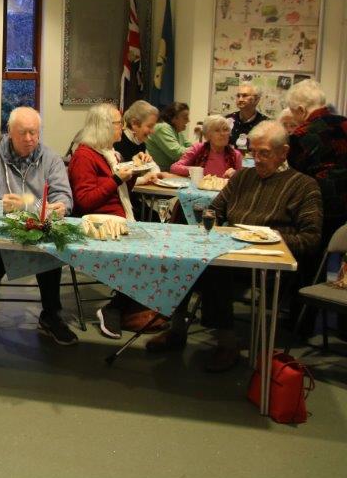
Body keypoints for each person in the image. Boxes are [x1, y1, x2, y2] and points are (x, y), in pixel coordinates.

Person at [148, 122, 322, 371]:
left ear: (284, 152)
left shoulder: (304, 186)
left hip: (269, 261)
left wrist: (268, 237)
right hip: (233, 252)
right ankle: (177, 328)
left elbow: (311, 238)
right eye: (252, 153)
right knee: (184, 257)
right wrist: (205, 220)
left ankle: (226, 342)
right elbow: (215, 210)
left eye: (265, 153)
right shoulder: (243, 177)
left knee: (215, 269)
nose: (256, 159)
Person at [0, 107, 76, 345]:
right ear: (9, 132)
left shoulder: (51, 159)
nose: (29, 139)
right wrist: (0, 204)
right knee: (2, 244)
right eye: (23, 133)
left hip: (41, 226)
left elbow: (65, 198)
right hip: (3, 228)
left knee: (51, 245)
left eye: (34, 132)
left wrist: (60, 206)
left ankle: (51, 313)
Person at [68, 104, 154, 338]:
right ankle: (117, 309)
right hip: (98, 226)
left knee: (154, 247)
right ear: (106, 126)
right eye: (119, 123)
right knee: (146, 251)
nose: (123, 128)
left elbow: (121, 192)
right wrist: (116, 178)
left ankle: (123, 308)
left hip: (116, 220)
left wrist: (135, 171)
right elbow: (84, 201)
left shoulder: (110, 153)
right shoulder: (84, 156)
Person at [286, 79, 347, 315]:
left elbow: (298, 178)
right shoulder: (344, 124)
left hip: (319, 204)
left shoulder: (302, 135)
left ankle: (301, 319)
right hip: (344, 205)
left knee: (309, 262)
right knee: (337, 260)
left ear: (301, 110)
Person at [170, 115, 242, 179]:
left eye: (226, 130)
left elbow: (242, 181)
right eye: (217, 130)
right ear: (207, 135)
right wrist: (196, 171)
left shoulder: (235, 155)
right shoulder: (198, 148)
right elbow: (174, 168)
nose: (223, 134)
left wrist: (235, 175)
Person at [146, 102, 192, 172]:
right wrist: (198, 150)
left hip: (170, 173)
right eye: (185, 118)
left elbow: (190, 146)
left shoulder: (176, 130)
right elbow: (177, 153)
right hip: (159, 174)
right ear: (174, 118)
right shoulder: (163, 128)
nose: (188, 120)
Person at [226, 83, 269, 151]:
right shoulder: (228, 120)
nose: (240, 99)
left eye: (244, 95)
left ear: (257, 100)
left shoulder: (266, 123)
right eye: (238, 96)